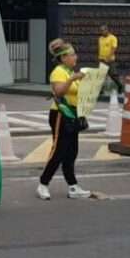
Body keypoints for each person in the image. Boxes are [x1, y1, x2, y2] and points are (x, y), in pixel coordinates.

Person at [37, 39, 92, 200]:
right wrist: (72, 79)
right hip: (60, 115)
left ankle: (73, 186)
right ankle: (43, 184)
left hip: (73, 115)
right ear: (63, 58)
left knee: (72, 152)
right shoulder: (59, 72)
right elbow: (59, 92)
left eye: (75, 54)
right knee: (58, 151)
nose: (76, 57)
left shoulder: (69, 72)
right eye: (72, 54)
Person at [97, 24, 123, 93]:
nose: (102, 32)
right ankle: (101, 91)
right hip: (102, 60)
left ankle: (120, 86)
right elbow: (100, 48)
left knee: (113, 75)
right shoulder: (100, 38)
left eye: (103, 30)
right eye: (101, 30)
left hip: (110, 60)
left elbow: (114, 48)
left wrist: (108, 57)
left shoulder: (113, 38)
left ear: (107, 30)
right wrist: (99, 57)